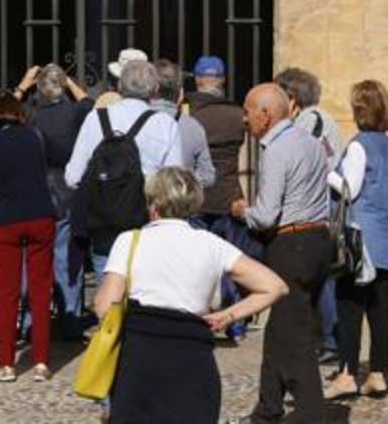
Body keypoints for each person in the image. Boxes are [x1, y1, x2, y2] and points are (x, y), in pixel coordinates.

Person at [94, 167, 288, 423]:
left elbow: (104, 306)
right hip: (192, 359)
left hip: (139, 360)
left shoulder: (129, 241)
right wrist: (228, 316)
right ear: (193, 205)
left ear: (153, 203)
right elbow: (274, 286)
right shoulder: (211, 244)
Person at [232, 84, 333, 424]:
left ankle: (310, 413)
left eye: (248, 111)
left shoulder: (276, 149)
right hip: (317, 239)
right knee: (282, 328)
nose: (245, 118)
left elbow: (265, 214)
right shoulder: (310, 142)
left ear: (266, 113)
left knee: (294, 334)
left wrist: (241, 211)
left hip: (292, 244)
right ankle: (268, 408)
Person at [323, 80, 388, 400]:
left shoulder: (359, 146)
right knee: (379, 309)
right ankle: (378, 373)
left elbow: (349, 187)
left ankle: (346, 374)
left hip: (361, 241)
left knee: (349, 308)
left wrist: (326, 170)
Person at [66, 60, 182, 279]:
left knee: (110, 298)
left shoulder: (95, 119)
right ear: (155, 89)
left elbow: (72, 177)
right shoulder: (165, 124)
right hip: (147, 222)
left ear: (119, 86)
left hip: (104, 221)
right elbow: (174, 183)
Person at [0, 94, 57, 383]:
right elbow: (60, 157)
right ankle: (42, 362)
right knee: (40, 291)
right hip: (41, 216)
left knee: (8, 293)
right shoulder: (35, 136)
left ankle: (7, 363)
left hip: (8, 219)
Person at [15, 64, 94, 340]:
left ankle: (29, 323)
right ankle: (70, 320)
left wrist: (23, 86)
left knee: (33, 259)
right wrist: (70, 82)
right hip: (66, 191)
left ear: (39, 89)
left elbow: (2, 112)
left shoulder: (30, 117)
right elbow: (89, 103)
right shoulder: (74, 114)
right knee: (65, 258)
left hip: (36, 191)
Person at [185, 55, 256, 344]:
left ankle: (197, 319)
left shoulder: (189, 115)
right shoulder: (237, 115)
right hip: (230, 195)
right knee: (231, 264)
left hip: (197, 197)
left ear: (198, 80)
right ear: (223, 80)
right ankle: (235, 323)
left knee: (196, 264)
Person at [274, 65, 342, 363]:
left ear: (292, 97)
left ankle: (328, 338)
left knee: (320, 275)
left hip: (318, 201)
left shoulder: (310, 121)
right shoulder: (319, 118)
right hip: (322, 199)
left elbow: (298, 156)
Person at [151, 59, 216, 188]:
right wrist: (179, 182)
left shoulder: (133, 120)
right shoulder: (193, 127)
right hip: (178, 204)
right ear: (181, 94)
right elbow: (208, 176)